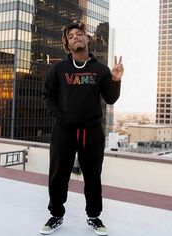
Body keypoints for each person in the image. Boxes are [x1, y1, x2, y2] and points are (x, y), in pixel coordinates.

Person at [40, 20, 124, 235]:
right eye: (71, 36)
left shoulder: (100, 69)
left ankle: (94, 216)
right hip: (64, 131)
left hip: (92, 132)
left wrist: (115, 79)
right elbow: (47, 96)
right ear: (67, 45)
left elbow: (110, 98)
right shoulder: (59, 69)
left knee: (93, 176)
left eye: (79, 34)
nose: (76, 37)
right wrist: (61, 117)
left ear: (87, 39)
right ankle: (56, 215)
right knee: (58, 175)